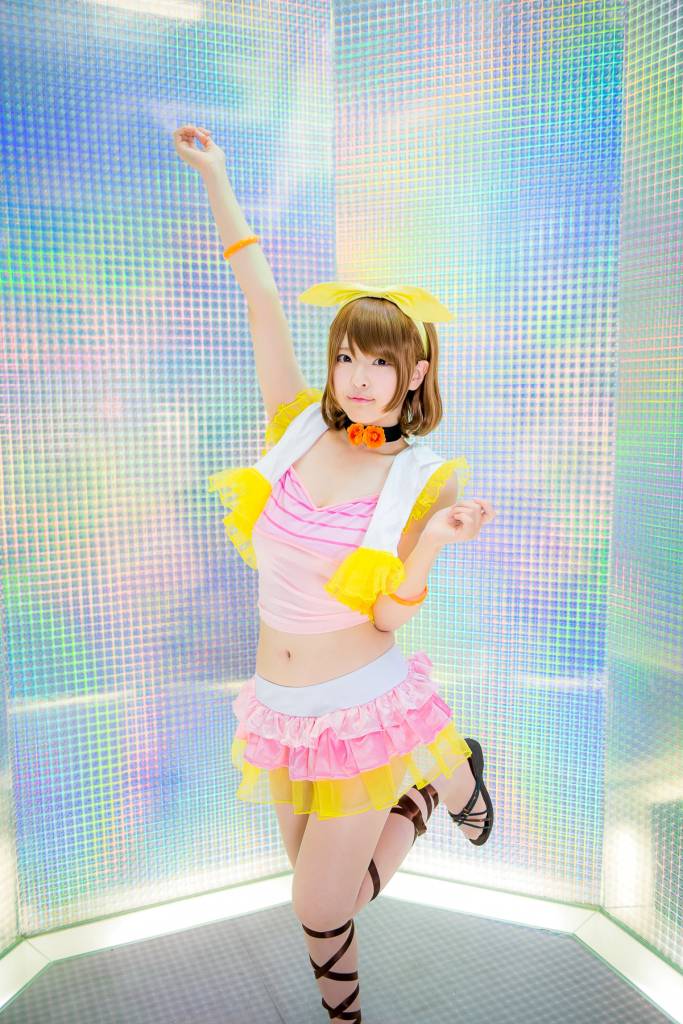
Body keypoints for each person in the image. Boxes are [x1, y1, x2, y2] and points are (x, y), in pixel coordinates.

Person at [174, 124, 498, 1024]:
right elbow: (259, 300)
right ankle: (434, 792)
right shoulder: (295, 428)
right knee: (326, 900)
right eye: (346, 357)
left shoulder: (421, 476)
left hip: (361, 708)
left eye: (379, 362)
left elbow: (387, 617)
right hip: (279, 711)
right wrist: (217, 176)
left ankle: (433, 781)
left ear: (415, 372)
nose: (356, 377)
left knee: (317, 904)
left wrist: (433, 542)